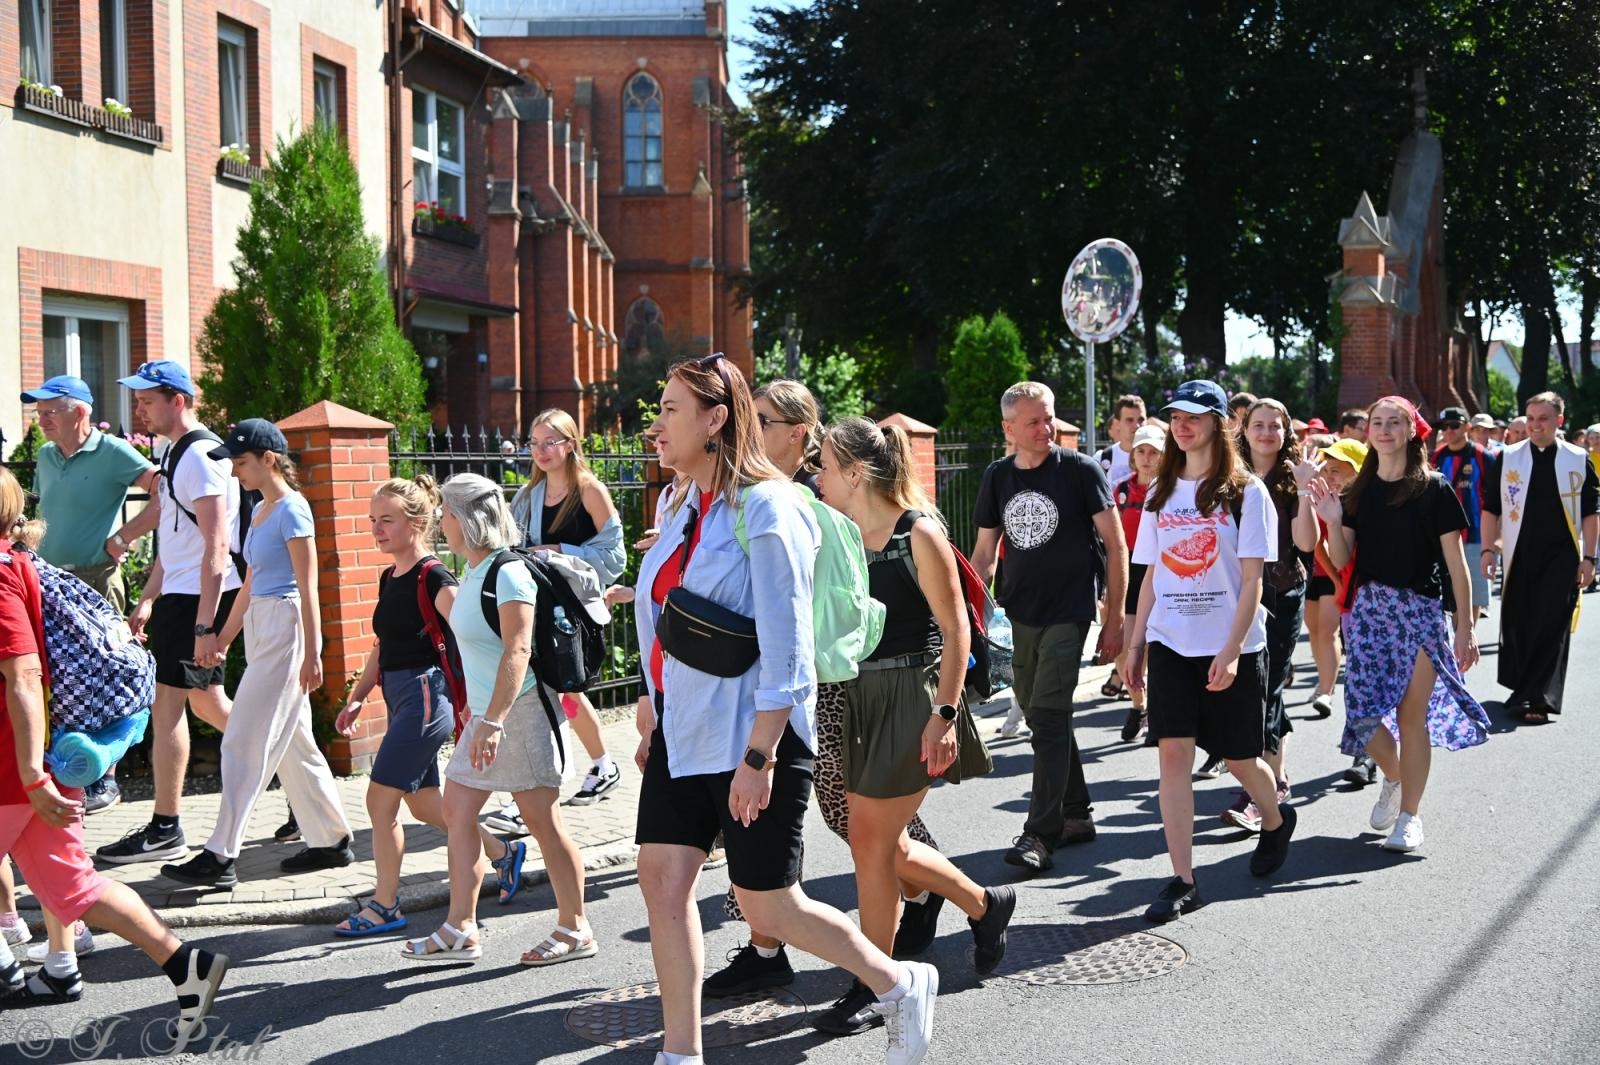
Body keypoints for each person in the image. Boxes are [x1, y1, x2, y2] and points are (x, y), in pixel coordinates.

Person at [632, 355, 937, 1065]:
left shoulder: (768, 507)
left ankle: (898, 983)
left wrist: (761, 754)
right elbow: (667, 618)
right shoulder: (679, 507)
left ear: (714, 420)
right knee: (662, 878)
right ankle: (681, 1053)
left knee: (768, 905)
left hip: (753, 737)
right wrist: (652, 709)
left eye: (672, 409)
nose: (656, 424)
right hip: (686, 729)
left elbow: (789, 644)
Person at [707, 381, 946, 1021]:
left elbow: (913, 618)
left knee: (863, 829)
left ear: (798, 430)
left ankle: (898, 948)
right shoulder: (765, 494)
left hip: (852, 685)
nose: (750, 428)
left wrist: (942, 711)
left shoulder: (822, 504)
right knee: (845, 824)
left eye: (764, 418)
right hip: (808, 686)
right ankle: (770, 943)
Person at [805, 416, 1015, 1034]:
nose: (816, 476)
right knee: (884, 843)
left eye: (824, 465)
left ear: (855, 473)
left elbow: (957, 633)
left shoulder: (918, 532)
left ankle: (878, 980)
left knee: (871, 840)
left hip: (912, 694)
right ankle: (983, 904)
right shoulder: (839, 534)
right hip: (856, 694)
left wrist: (945, 716)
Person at [0, 466, 228, 1032]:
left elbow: (25, 675)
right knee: (75, 885)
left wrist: (32, 775)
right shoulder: (22, 563)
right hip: (40, 760)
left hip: (15, 766)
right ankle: (186, 964)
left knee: (73, 884)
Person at [401, 474, 592, 965]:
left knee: (543, 822)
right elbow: (481, 651)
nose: (440, 521)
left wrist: (494, 718)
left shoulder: (509, 573)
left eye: (445, 512)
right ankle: (459, 927)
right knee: (456, 811)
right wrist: (475, 707)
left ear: (465, 518)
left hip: (520, 715)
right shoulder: (472, 571)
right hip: (487, 716)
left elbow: (519, 649)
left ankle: (575, 928)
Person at [1124, 380, 1295, 921]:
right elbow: (1150, 574)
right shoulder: (1159, 491)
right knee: (1173, 753)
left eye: (1195, 416)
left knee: (1242, 758)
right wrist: (1135, 643)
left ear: (1222, 424)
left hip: (1233, 644)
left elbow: (1252, 583)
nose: (1182, 424)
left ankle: (1274, 819)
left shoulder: (1248, 492)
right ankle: (1182, 878)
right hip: (1172, 642)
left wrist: (1234, 649)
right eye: (1176, 414)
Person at [161, 420, 353, 888]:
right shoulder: (261, 509)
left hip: (287, 627)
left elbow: (309, 587)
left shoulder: (293, 510)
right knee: (294, 743)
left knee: (244, 740)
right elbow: (249, 581)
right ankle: (331, 840)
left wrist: (314, 650)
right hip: (262, 624)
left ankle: (220, 855)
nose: (234, 471)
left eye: (241, 462)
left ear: (270, 459)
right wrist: (223, 637)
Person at [333, 476, 519, 934]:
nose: (377, 529)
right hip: (399, 696)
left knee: (379, 800)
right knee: (424, 806)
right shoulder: (389, 576)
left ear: (417, 523)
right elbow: (383, 644)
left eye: (387, 520)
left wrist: (482, 706)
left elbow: (471, 634)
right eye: (373, 520)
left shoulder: (434, 575)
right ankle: (503, 851)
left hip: (425, 697)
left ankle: (384, 905)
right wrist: (357, 698)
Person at [1309, 396, 1489, 852]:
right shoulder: (1358, 493)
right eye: (1377, 423)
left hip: (1421, 613)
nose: (1385, 429)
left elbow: (1456, 565)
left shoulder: (1434, 488)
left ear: (1412, 431)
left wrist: (1465, 627)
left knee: (1412, 717)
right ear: (1367, 432)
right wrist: (1332, 521)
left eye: (1394, 422)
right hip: (1369, 613)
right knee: (1364, 715)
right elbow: (1343, 560)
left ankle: (1410, 815)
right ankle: (1393, 776)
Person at [971, 382, 1126, 873]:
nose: (1047, 429)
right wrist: (969, 617)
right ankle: (1076, 813)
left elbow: (1116, 545)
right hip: (1018, 615)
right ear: (1009, 429)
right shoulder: (998, 477)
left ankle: (1040, 833)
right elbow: (983, 555)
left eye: (1050, 418)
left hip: (1070, 610)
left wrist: (1115, 615)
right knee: (1041, 716)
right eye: (1034, 422)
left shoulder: (1079, 470)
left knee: (1051, 714)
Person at [98, 361, 241, 866]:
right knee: (200, 706)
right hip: (181, 596)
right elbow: (176, 538)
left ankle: (166, 826)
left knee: (177, 707)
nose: (139, 408)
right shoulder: (175, 452)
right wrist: (149, 596)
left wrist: (205, 624)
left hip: (198, 599)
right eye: (137, 400)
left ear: (177, 401)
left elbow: (217, 545)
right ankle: (292, 773)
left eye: (147, 400)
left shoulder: (199, 455)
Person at [22, 374, 160, 816]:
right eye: (38, 412)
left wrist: (123, 539)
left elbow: (166, 494)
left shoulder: (111, 451)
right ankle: (71, 769)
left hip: (96, 580)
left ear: (80, 412)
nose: (41, 420)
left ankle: (106, 779)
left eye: (50, 411)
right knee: (59, 681)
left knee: (106, 675)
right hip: (50, 585)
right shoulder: (45, 455)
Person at [500, 409, 627, 819]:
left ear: (571, 444)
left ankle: (549, 785)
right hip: (539, 607)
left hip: (574, 611)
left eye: (549, 442)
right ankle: (597, 767)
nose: (540, 451)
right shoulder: (528, 497)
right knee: (554, 692)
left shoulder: (589, 490)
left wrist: (561, 552)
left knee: (564, 690)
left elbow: (615, 558)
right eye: (534, 443)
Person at [1221, 400, 1318, 832]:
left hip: (1281, 590)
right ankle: (1272, 775)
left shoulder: (1293, 478)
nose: (1265, 433)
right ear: (1245, 429)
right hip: (1236, 594)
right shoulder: (1229, 476)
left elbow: (1307, 542)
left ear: (1285, 433)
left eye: (1274, 426)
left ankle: (1265, 789)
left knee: (1269, 685)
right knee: (1250, 686)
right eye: (1258, 425)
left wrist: (1303, 491)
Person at [1479, 392, 1600, 723]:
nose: (1535, 425)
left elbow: (1591, 512)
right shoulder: (1508, 458)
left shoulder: (1578, 458)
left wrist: (1589, 557)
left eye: (1543, 418)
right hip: (1520, 553)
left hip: (1562, 555)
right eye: (1530, 419)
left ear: (1559, 421)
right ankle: (1524, 686)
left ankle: (1538, 697)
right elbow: (1491, 507)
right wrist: (1488, 549)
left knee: (1551, 622)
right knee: (1520, 620)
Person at [1111, 424, 1165, 740]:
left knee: (1159, 651)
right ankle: (1138, 705)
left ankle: (1158, 712)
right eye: (1141, 452)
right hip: (1130, 571)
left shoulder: (1170, 489)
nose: (1146, 458)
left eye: (1153, 452)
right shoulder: (1120, 489)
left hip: (1161, 571)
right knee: (1126, 648)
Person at [1430, 406, 1496, 622]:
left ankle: (1468, 635)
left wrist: (1496, 537)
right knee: (1447, 590)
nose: (1449, 431)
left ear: (1467, 426)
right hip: (1441, 537)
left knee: (1475, 591)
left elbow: (1496, 498)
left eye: (1454, 426)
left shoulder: (1483, 456)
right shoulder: (1436, 457)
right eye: (1444, 427)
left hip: (1475, 534)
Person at [754, 379, 824, 494]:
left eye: (760, 421)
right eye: (749, 421)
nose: (750, 431)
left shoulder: (820, 491)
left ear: (796, 433)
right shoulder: (748, 484)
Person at [1096, 394, 1147, 485]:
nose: (1137, 425)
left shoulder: (1161, 458)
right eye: (1130, 420)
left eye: (1141, 419)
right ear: (1117, 423)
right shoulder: (1101, 459)